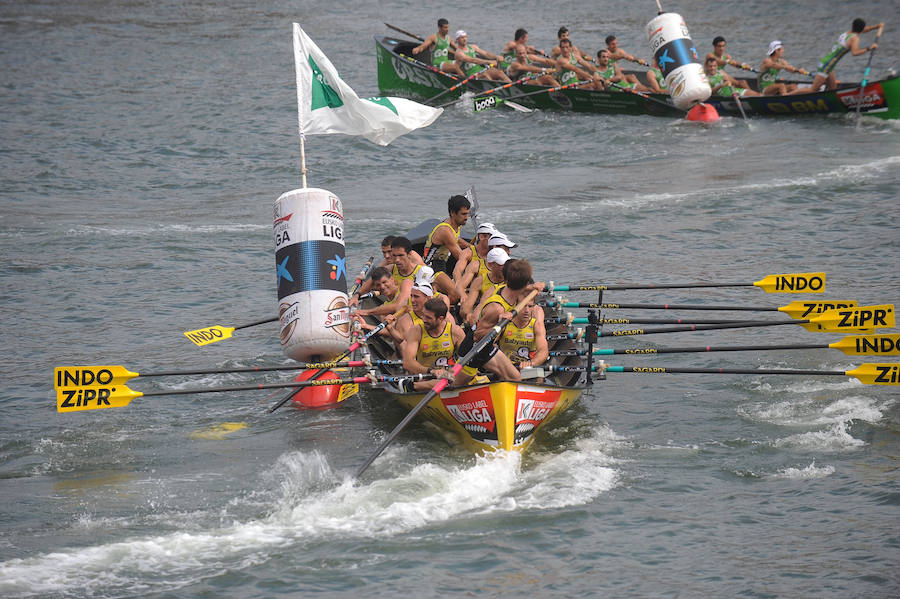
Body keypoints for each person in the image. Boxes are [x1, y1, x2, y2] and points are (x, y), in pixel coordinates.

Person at [454, 259, 542, 387]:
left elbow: (519, 287)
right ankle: (416, 386)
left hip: (488, 348)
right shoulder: (496, 309)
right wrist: (500, 324)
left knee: (514, 377)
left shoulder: (505, 287)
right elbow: (477, 336)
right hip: (473, 350)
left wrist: (533, 287)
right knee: (451, 385)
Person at [401, 297, 466, 391]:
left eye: (428, 317)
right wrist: (431, 371)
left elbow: (467, 358)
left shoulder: (455, 331)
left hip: (448, 374)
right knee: (452, 382)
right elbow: (407, 363)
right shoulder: (416, 331)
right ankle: (413, 386)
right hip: (424, 375)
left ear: (441, 319)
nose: (423, 319)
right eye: (423, 315)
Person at [810, 18, 883, 91]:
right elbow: (855, 53)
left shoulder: (847, 33)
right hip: (827, 65)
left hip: (827, 62)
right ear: (862, 28)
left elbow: (864, 29)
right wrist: (869, 48)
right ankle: (798, 94)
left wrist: (877, 26)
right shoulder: (854, 38)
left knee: (833, 89)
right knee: (813, 90)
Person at [423, 194, 471, 277]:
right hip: (431, 266)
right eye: (463, 214)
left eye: (468, 214)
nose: (467, 217)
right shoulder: (445, 230)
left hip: (442, 263)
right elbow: (460, 256)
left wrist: (472, 247)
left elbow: (457, 240)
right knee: (455, 290)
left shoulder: (456, 224)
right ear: (452, 213)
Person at [461, 247, 508, 325]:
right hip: (486, 315)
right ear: (490, 265)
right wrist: (469, 314)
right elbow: (466, 307)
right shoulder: (480, 280)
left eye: (506, 263)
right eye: (501, 265)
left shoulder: (511, 278)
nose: (505, 268)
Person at [497, 296, 547, 370]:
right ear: (515, 306)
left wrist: (531, 363)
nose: (527, 310)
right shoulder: (506, 322)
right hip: (504, 367)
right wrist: (499, 323)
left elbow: (543, 351)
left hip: (527, 368)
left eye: (530, 306)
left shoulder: (536, 324)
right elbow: (490, 344)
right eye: (523, 306)